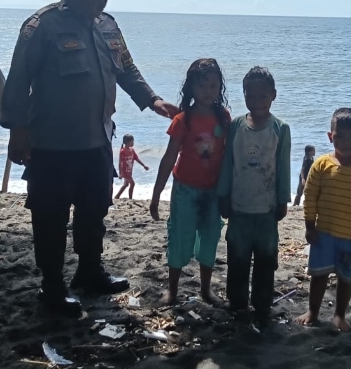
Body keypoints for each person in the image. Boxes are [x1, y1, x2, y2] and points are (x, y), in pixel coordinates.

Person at [1, 0, 179, 317]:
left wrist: (152, 99)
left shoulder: (108, 26)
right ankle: (52, 285)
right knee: (50, 217)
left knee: (94, 210)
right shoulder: (42, 26)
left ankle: (89, 272)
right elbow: (18, 80)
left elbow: (127, 68)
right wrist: (17, 131)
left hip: (97, 141)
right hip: (51, 145)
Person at [149, 58, 230, 306]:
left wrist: (230, 190)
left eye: (213, 86)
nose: (208, 91)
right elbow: (168, 158)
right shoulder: (183, 120)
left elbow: (229, 156)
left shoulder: (223, 117)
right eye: (202, 85)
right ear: (191, 88)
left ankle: (206, 289)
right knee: (179, 237)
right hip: (185, 189)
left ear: (220, 88)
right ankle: (172, 290)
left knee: (210, 237)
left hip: (213, 191)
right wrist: (156, 195)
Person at [217, 66, 291, 329]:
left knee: (266, 259)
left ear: (273, 95)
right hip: (239, 207)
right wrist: (223, 194)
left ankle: (262, 303)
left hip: (266, 209)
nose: (256, 101)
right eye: (250, 95)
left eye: (263, 96)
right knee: (237, 257)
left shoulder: (280, 129)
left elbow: (283, 166)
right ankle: (237, 300)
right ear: (244, 94)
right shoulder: (236, 126)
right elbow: (227, 162)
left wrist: (283, 199)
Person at [295, 108, 351, 332]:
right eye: (340, 136)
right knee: (318, 275)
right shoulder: (322, 165)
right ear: (330, 136)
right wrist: (309, 226)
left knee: (346, 278)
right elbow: (310, 196)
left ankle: (340, 314)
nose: (346, 142)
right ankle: (313, 311)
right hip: (324, 233)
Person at [115, 134, 149, 199]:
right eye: (132, 141)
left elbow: (136, 158)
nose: (133, 143)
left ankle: (117, 196)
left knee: (126, 184)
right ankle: (130, 198)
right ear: (128, 142)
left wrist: (143, 165)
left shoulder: (132, 150)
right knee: (132, 184)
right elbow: (120, 163)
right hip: (125, 171)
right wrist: (120, 173)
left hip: (129, 170)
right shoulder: (122, 151)